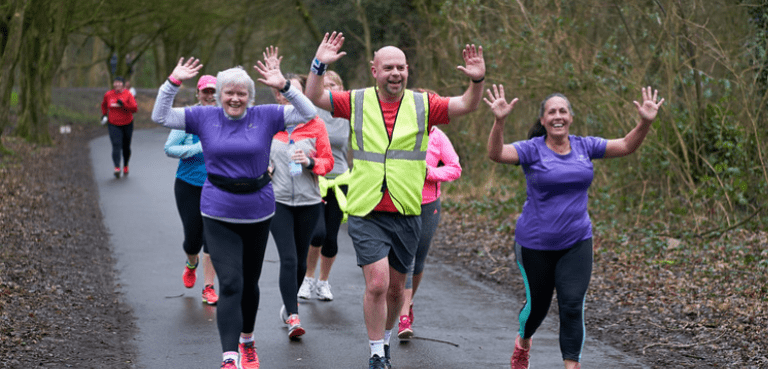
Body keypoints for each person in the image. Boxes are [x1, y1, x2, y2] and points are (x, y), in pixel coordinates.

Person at [304, 31, 486, 369]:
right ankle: (375, 353)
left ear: (407, 70)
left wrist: (477, 80)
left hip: (406, 210)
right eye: (388, 67)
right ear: (374, 70)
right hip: (367, 209)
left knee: (395, 290)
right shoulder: (356, 100)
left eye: (401, 67)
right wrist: (319, 65)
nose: (396, 74)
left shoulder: (423, 104)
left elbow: (467, 104)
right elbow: (314, 96)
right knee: (377, 283)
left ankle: (384, 342)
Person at [151, 47, 317, 369]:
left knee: (249, 284)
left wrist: (284, 86)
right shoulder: (204, 117)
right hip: (217, 209)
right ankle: (229, 356)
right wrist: (173, 82)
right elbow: (160, 116)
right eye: (229, 93)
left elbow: (308, 113)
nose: (235, 99)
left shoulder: (266, 115)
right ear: (220, 95)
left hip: (258, 210)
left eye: (242, 93)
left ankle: (247, 340)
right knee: (230, 283)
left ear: (250, 96)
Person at [484, 84, 664, 369]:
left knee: (571, 304)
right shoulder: (532, 150)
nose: (558, 116)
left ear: (570, 117)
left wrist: (645, 122)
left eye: (563, 111)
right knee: (537, 309)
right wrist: (499, 120)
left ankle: (572, 366)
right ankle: (523, 342)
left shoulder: (585, 146)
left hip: (577, 241)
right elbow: (496, 153)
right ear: (542, 120)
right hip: (535, 244)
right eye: (551, 111)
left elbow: (626, 145)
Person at [268, 72, 333, 339]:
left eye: (295, 91)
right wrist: (262, 169)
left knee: (300, 262)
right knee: (289, 258)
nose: (289, 96)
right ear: (277, 94)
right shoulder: (270, 123)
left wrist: (310, 163)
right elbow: (254, 154)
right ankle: (294, 316)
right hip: (278, 201)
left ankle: (289, 303)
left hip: (309, 201)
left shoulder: (315, 125)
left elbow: (328, 162)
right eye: (285, 91)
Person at [396, 122, 461, 341]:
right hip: (401, 204)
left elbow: (455, 168)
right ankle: (403, 317)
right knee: (407, 259)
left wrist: (429, 172)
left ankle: (407, 301)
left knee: (419, 260)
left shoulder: (438, 137)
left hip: (428, 205)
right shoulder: (399, 131)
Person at [163, 74, 219, 305]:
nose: (209, 95)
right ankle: (190, 262)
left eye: (213, 91)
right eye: (205, 92)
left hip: (216, 186)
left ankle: (208, 287)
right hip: (188, 185)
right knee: (192, 240)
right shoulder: (187, 118)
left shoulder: (227, 117)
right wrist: (198, 147)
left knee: (211, 238)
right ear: (198, 94)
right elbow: (169, 148)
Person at [301, 70, 350, 302]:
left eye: (335, 84)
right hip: (315, 178)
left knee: (331, 237)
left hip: (340, 180)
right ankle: (308, 278)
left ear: (342, 88)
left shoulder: (349, 114)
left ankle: (323, 281)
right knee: (317, 233)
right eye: (326, 85)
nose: (331, 89)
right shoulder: (313, 111)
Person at [101, 76, 138, 178]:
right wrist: (104, 114)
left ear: (123, 84)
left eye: (119, 83)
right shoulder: (108, 95)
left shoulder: (128, 94)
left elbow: (135, 108)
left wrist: (124, 104)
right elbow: (104, 105)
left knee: (126, 147)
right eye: (115, 83)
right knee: (116, 145)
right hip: (113, 124)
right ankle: (117, 167)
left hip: (127, 124)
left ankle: (125, 165)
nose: (117, 84)